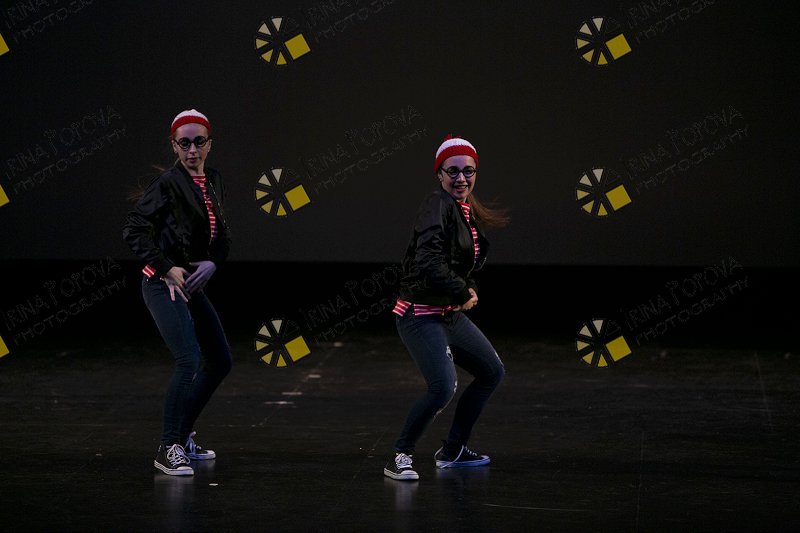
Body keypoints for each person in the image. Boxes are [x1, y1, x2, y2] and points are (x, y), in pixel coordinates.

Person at [384, 135, 508, 481]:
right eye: (452, 171)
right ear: (439, 174)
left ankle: (453, 449)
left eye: (468, 171)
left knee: (492, 372)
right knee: (442, 387)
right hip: (420, 316)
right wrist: (461, 289)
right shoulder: (436, 204)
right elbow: (428, 262)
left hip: (448, 315)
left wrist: (469, 287)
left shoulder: (463, 210)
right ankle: (400, 455)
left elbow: (460, 264)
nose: (461, 178)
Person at [123, 109, 232, 476]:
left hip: (188, 284)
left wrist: (214, 262)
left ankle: (182, 437)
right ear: (174, 146)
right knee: (188, 360)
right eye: (184, 143)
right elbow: (134, 230)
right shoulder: (168, 183)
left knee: (220, 361)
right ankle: (168, 446)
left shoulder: (213, 180)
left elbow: (222, 236)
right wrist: (166, 267)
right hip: (162, 283)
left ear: (209, 144)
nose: (192, 150)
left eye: (199, 142)